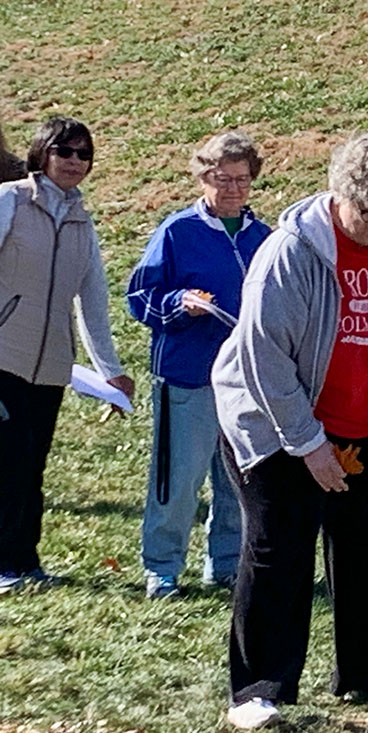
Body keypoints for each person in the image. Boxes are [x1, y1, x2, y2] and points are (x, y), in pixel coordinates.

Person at [212, 132, 368, 728]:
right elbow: (262, 358)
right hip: (274, 425)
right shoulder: (290, 254)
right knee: (278, 551)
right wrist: (307, 445)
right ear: (340, 194)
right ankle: (260, 687)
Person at [127, 131, 270, 599]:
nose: (231, 189)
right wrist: (178, 302)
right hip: (187, 375)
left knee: (236, 479)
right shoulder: (176, 232)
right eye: (220, 178)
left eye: (241, 179)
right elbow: (140, 296)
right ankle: (163, 567)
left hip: (244, 382)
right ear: (203, 177)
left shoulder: (264, 238)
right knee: (178, 478)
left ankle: (226, 563)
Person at [0, 117, 134, 594]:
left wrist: (112, 372)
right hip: (4, 358)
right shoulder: (11, 200)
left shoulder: (81, 219)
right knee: (7, 462)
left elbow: (93, 300)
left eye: (84, 154)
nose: (75, 161)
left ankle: (23, 561)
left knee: (32, 466)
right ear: (42, 153)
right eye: (65, 151)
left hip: (52, 365)